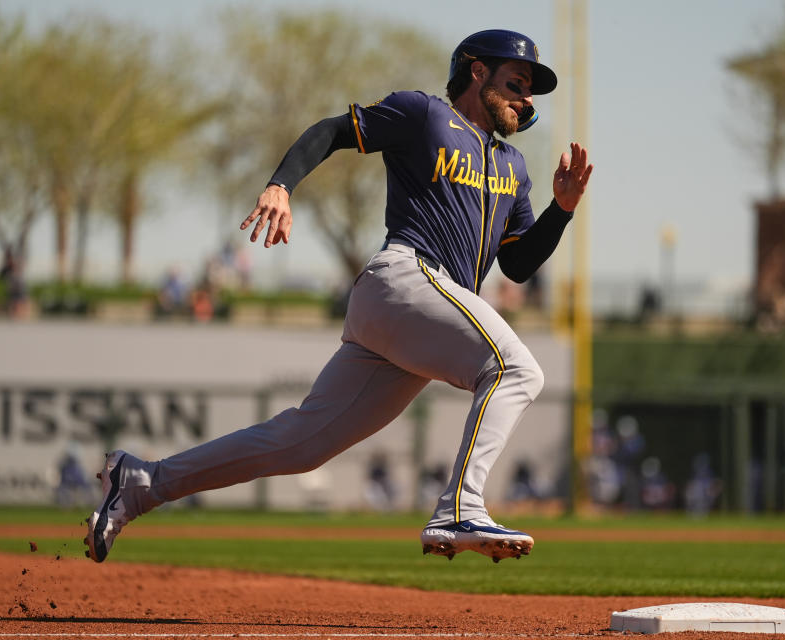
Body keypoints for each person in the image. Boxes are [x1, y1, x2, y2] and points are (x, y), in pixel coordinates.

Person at [84, 29, 592, 564]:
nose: (527, 98)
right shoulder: (423, 115)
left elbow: (516, 264)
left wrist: (561, 209)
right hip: (405, 278)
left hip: (420, 314)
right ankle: (459, 507)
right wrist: (281, 184)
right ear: (476, 72)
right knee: (516, 370)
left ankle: (142, 483)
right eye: (517, 82)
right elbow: (333, 131)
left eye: (532, 90)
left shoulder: (513, 167)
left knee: (302, 444)